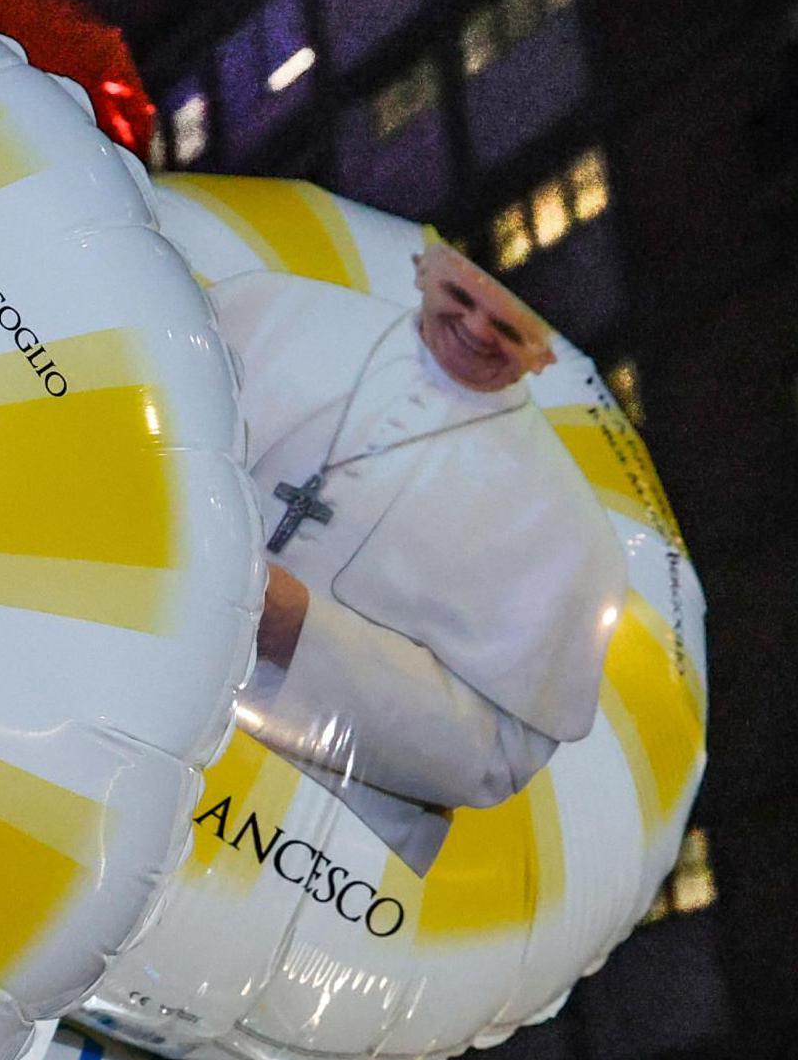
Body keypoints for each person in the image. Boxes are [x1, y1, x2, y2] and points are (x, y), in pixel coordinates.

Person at [217, 244, 624, 875]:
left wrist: (303, 634)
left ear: (545, 354)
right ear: (423, 268)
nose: (476, 329)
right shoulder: (271, 308)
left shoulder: (569, 528)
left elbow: (496, 756)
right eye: (461, 297)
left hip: (293, 835)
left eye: (510, 329)